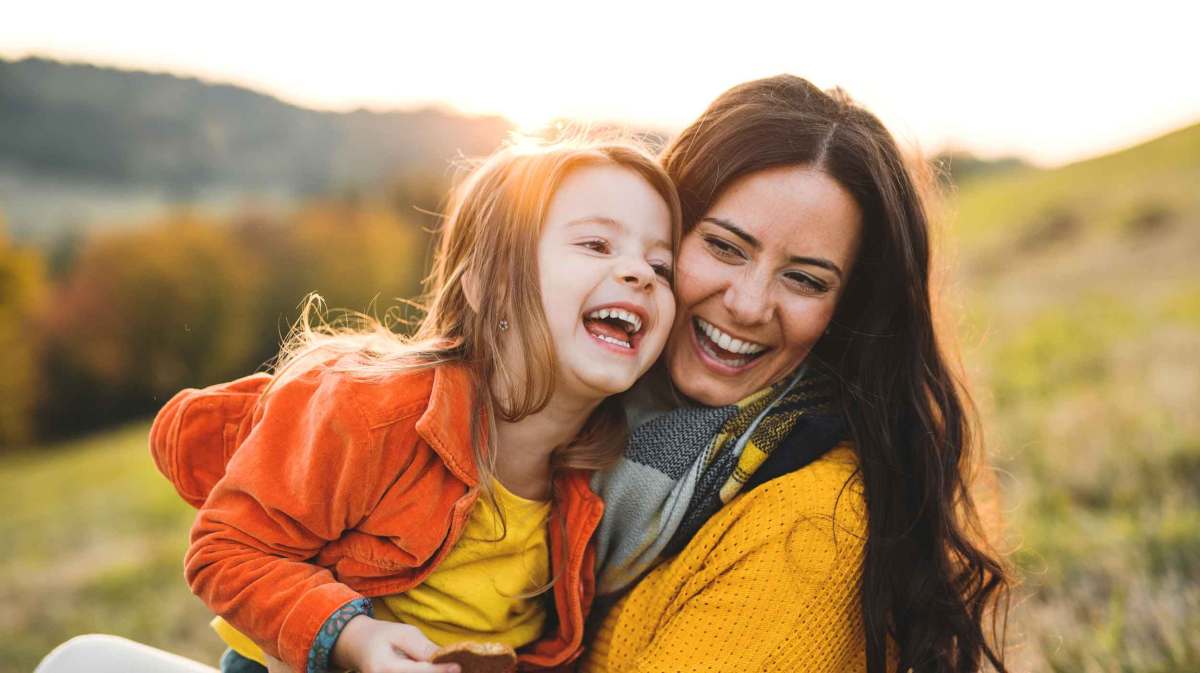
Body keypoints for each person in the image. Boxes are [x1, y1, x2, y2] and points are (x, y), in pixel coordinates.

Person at [155, 136, 681, 673]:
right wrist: (353, 639)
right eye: (596, 245)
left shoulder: (605, 477)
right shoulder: (371, 411)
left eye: (662, 267)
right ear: (488, 285)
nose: (640, 274)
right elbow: (226, 551)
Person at [581, 75, 1010, 673]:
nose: (750, 305)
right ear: (660, 235)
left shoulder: (808, 528)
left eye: (805, 279)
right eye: (726, 247)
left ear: (848, 311)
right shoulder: (572, 421)